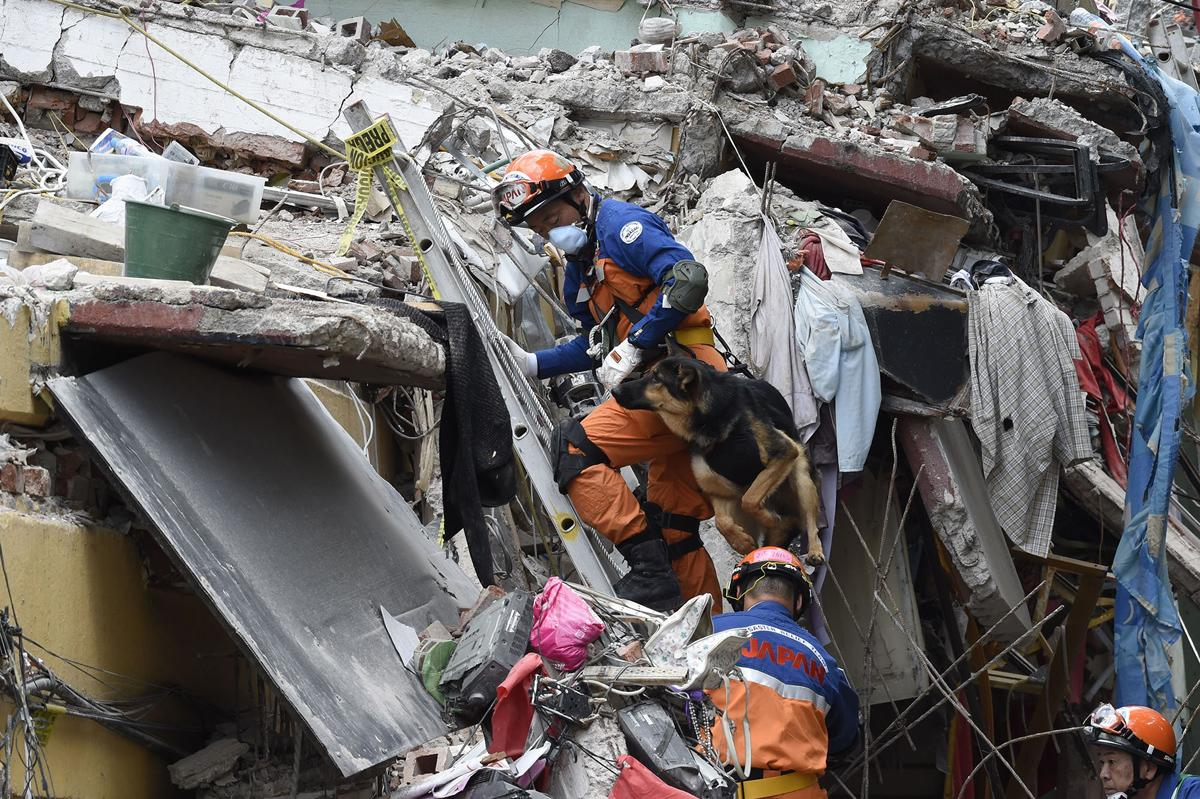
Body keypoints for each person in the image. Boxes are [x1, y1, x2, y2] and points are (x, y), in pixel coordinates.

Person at [493, 149, 724, 612]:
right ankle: (710, 638)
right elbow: (595, 344)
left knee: (575, 448)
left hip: (682, 379)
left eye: (550, 217)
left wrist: (638, 342)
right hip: (664, 387)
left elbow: (688, 278)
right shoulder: (580, 267)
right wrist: (535, 364)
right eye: (537, 229)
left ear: (578, 194)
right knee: (674, 527)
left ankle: (647, 571)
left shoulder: (623, 227)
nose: (547, 232)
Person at [707, 547, 860, 799]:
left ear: (738, 592)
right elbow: (846, 740)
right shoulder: (824, 662)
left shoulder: (708, 631)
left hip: (713, 789)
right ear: (799, 601)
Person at [1086, 703, 1200, 798]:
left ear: (1149, 769)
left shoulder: (1193, 793)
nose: (1103, 774)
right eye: (1102, 762)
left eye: (1112, 762)